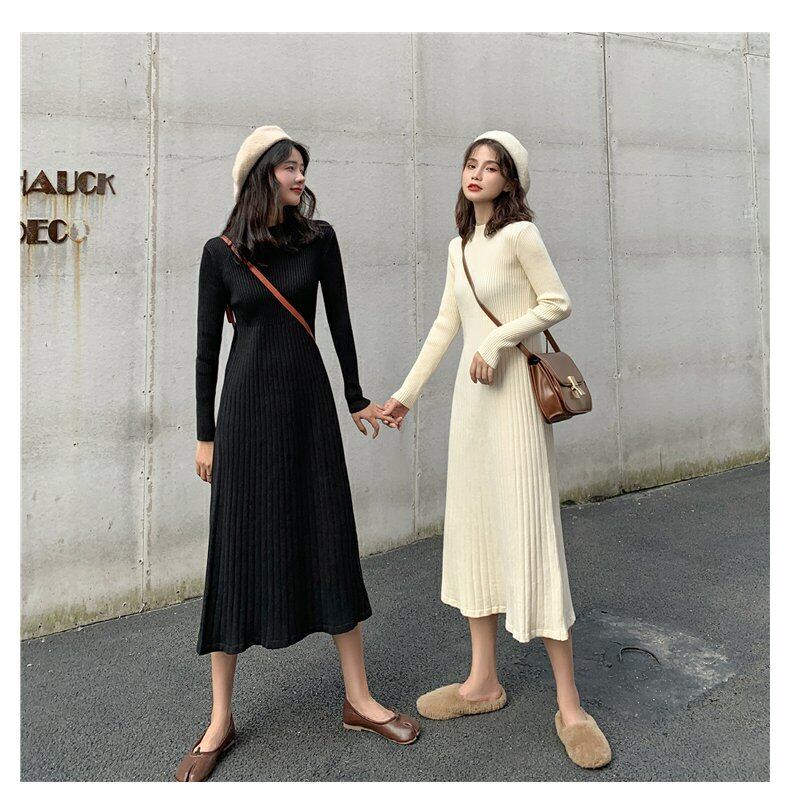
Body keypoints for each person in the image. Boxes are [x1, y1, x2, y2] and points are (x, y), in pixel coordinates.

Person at [177, 125, 420, 782]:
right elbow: (205, 353)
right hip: (245, 417)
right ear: (262, 175)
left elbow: (339, 320)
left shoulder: (319, 239)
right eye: (289, 166)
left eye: (302, 166)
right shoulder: (221, 253)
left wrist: (356, 397)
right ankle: (220, 718)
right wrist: (205, 435)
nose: (300, 176)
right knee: (234, 551)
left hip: (308, 411)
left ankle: (359, 699)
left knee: (329, 536)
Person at [381, 130, 611, 769]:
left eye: (492, 166)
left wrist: (498, 340)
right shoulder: (458, 247)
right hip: (472, 410)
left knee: (533, 536)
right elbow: (444, 326)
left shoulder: (520, 237)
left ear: (511, 180)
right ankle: (482, 682)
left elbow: (556, 303)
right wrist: (404, 397)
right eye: (471, 163)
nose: (477, 173)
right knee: (477, 534)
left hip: (515, 408)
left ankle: (570, 706)